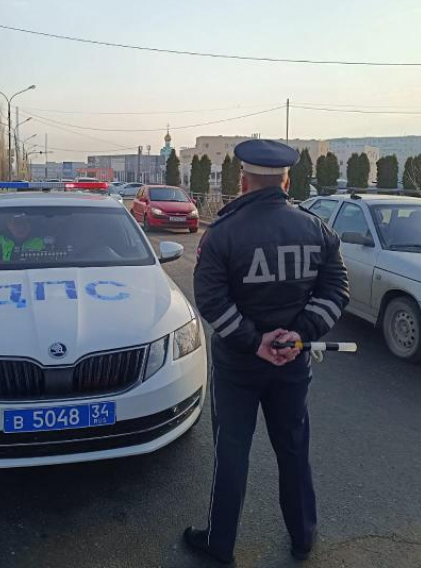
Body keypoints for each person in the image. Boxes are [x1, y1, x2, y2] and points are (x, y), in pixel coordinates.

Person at [184, 139, 350, 564]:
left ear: (243, 179)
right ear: (286, 179)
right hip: (292, 361)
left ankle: (219, 545)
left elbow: (210, 299)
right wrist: (297, 334)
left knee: (232, 451)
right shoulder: (316, 229)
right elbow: (335, 290)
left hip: (238, 364)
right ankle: (303, 537)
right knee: (294, 447)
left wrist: (253, 341)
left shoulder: (223, 233)